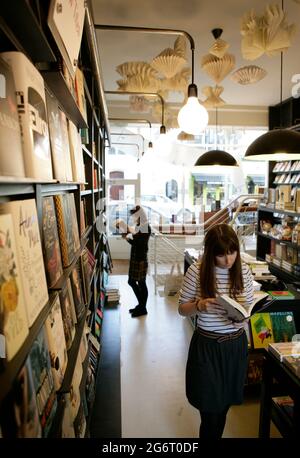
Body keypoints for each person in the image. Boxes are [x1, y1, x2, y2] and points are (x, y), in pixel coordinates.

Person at [178, 223, 254, 438]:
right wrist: (199, 305)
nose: (228, 260)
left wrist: (240, 317)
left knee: (223, 408)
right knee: (210, 412)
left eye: (232, 252)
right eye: (221, 255)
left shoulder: (244, 271)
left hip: (235, 346)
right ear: (211, 252)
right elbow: (182, 310)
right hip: (207, 347)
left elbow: (247, 309)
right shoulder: (197, 271)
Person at [122, 205, 151, 318]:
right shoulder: (140, 226)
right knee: (133, 282)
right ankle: (141, 306)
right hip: (136, 258)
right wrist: (128, 236)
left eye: (134, 215)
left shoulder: (145, 227)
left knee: (140, 283)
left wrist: (129, 235)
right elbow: (137, 241)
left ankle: (142, 308)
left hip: (140, 259)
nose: (133, 217)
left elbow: (140, 244)